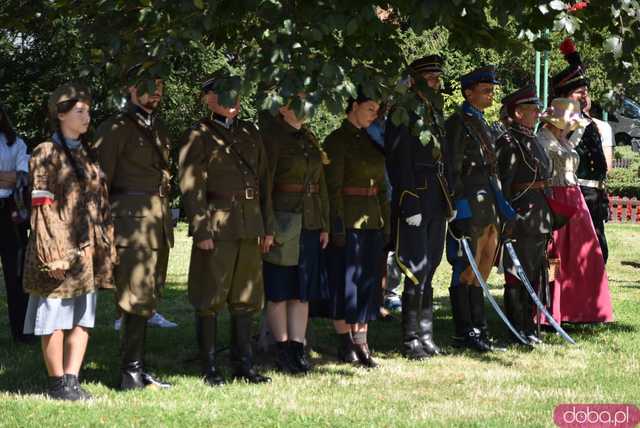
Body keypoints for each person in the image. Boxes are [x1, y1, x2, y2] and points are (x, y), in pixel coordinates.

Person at [179, 73, 275, 385]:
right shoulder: (198, 135)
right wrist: (202, 229)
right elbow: (191, 187)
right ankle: (208, 367)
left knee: (246, 295)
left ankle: (243, 365)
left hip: (250, 223)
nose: (231, 101)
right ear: (208, 98)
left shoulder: (250, 132)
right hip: (217, 224)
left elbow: (264, 183)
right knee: (210, 295)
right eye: (222, 95)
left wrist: (267, 226)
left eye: (235, 95)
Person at [22, 83, 116, 400]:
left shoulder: (88, 154)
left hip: (88, 250)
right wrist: (52, 252)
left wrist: (104, 242)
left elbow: (100, 202)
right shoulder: (46, 153)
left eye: (89, 109)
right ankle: (57, 383)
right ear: (61, 114)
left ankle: (73, 379)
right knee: (54, 318)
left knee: (82, 317)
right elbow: (41, 204)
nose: (86, 115)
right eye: (80, 110)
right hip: (59, 250)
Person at [94, 64, 174, 390]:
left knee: (149, 296)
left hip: (157, 221)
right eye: (148, 85)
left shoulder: (158, 127)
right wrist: (102, 228)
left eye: (160, 84)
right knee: (134, 296)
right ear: (131, 88)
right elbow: (100, 182)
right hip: (130, 222)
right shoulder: (114, 128)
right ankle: (130, 373)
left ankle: (139, 369)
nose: (156, 91)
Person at [258, 96, 330, 375]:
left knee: (302, 293)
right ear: (283, 108)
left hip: (309, 223)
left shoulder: (309, 138)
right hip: (283, 223)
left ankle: (298, 349)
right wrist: (268, 226)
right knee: (279, 291)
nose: (307, 105)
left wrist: (324, 224)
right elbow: (264, 185)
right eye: (298, 101)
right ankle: (282, 349)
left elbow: (320, 185)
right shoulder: (272, 139)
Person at [385, 55, 449, 359]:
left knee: (431, 265)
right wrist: (408, 198)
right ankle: (411, 339)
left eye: (437, 78)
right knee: (414, 267)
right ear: (414, 80)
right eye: (430, 78)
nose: (436, 83)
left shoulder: (434, 111)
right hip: (416, 195)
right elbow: (398, 160)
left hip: (436, 196)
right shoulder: (403, 112)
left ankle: (426, 336)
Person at [323, 91, 389, 368]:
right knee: (345, 283)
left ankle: (362, 341)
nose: (374, 114)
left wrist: (385, 221)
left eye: (377, 110)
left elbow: (383, 187)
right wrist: (336, 224)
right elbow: (332, 187)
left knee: (367, 284)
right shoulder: (337, 141)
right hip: (348, 220)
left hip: (371, 220)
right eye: (370, 108)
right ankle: (345, 343)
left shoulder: (373, 141)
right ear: (353, 106)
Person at [537, 98, 614, 324]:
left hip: (575, 197)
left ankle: (580, 309)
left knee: (582, 255)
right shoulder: (542, 140)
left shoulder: (563, 140)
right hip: (556, 197)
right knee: (556, 256)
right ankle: (552, 311)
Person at [443, 66, 503, 353]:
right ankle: (464, 331)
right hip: (469, 200)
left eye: (492, 90)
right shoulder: (458, 123)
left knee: (485, 265)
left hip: (488, 201)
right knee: (466, 266)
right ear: (468, 93)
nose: (491, 95)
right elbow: (452, 168)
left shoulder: (483, 122)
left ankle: (479, 327)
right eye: (485, 90)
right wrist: (458, 207)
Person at [495, 85, 554, 344]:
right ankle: (515, 328)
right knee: (516, 275)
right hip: (520, 215)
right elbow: (504, 184)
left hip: (539, 214)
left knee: (534, 273)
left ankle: (529, 325)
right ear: (518, 113)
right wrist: (507, 219)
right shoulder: (508, 142)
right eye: (532, 109)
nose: (537, 113)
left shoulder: (533, 139)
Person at [551, 38, 613, 263]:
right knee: (577, 256)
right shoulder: (558, 123)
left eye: (585, 91)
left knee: (599, 252)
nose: (585, 95)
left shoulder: (588, 122)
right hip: (575, 195)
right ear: (565, 95)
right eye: (579, 92)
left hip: (595, 197)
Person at [0, 103, 32, 344]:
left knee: (17, 274)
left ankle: (22, 332)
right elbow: (12, 176)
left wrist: (11, 178)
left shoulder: (16, 143)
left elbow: (21, 177)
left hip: (11, 213)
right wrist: (6, 176)